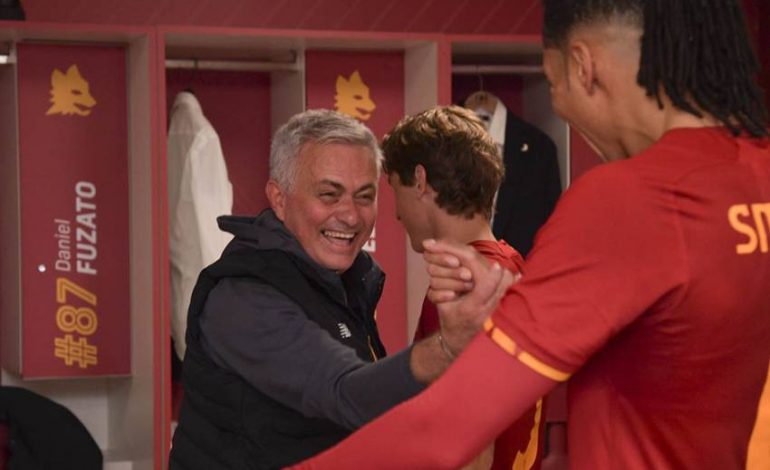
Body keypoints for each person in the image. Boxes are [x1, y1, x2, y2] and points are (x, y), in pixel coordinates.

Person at [289, 0, 770, 469]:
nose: (563, 109)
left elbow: (449, 429)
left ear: (583, 66)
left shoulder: (631, 199)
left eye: (555, 86)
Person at [168, 109, 482, 470]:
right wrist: (448, 346)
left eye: (364, 196)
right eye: (329, 195)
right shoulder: (243, 300)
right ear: (279, 198)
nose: (350, 216)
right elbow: (344, 392)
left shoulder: (344, 279)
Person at [382, 105, 545, 470]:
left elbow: (471, 440)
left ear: (420, 180)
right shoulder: (509, 264)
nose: (396, 213)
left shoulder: (464, 285)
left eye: (394, 189)